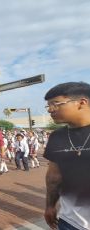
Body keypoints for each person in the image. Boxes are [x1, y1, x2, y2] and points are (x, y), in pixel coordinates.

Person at [43, 82, 90, 230]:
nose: (50, 110)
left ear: (81, 103)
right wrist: (50, 206)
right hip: (69, 221)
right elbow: (53, 177)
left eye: (56, 104)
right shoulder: (57, 137)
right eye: (48, 105)